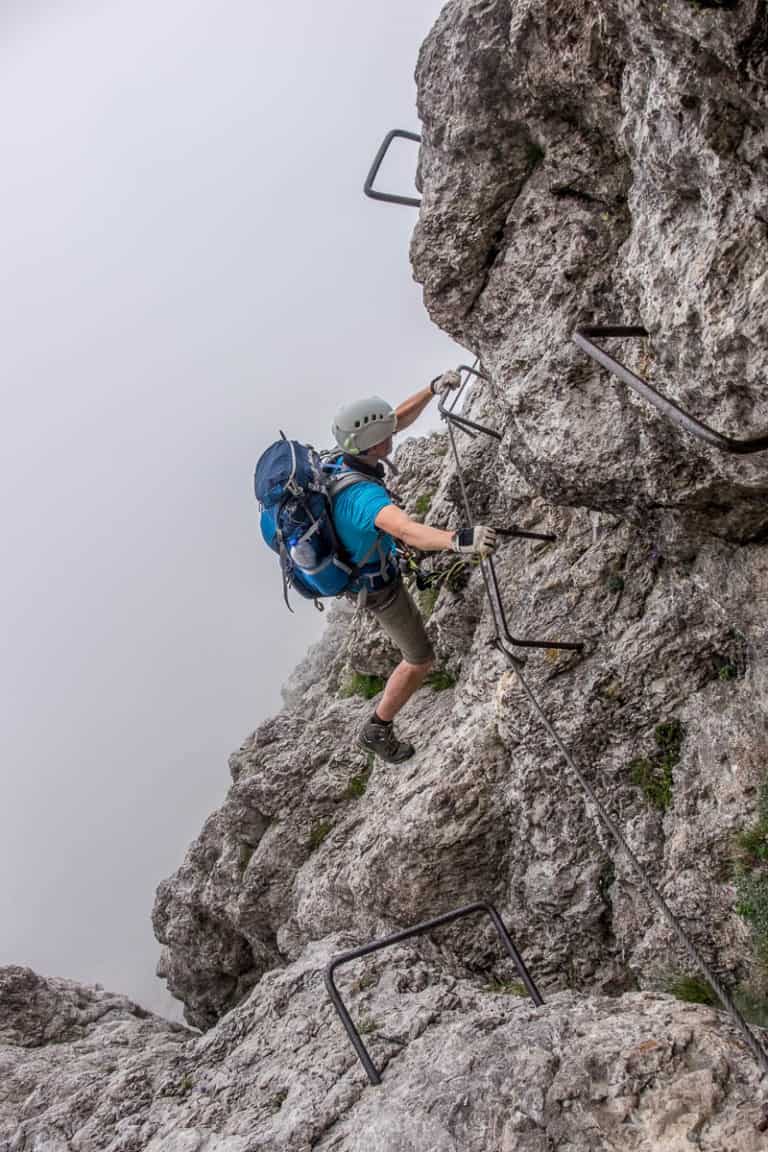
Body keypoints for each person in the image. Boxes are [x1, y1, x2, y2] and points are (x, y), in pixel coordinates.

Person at [329, 371, 497, 763]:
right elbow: (406, 530)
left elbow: (395, 421)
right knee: (420, 658)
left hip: (371, 564)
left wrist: (431, 389)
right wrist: (458, 540)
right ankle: (377, 727)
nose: (394, 433)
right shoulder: (364, 497)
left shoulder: (342, 458)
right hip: (380, 590)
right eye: (386, 435)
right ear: (375, 447)